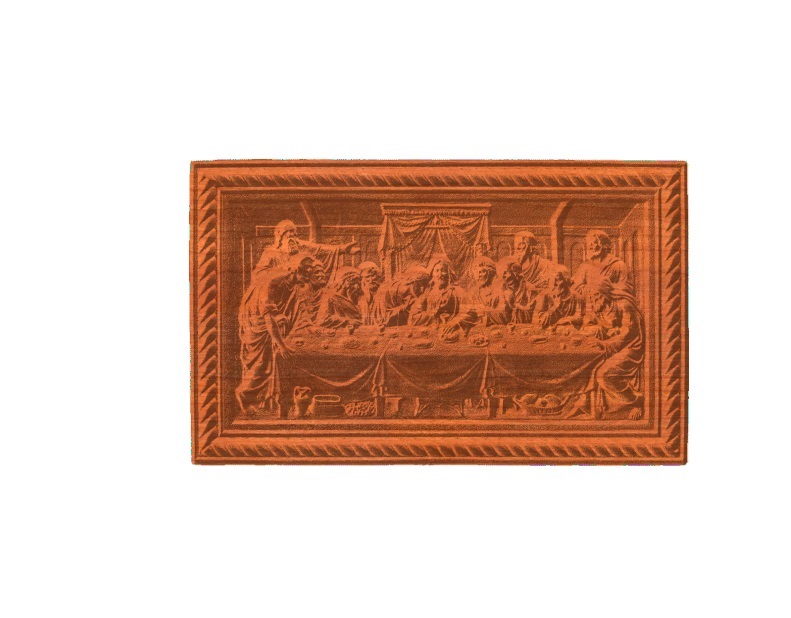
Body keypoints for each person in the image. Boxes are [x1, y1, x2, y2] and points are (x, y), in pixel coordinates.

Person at [236, 253, 314, 415]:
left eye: (310, 271)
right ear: (294, 269)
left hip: (265, 317)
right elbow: (268, 318)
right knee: (262, 361)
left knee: (271, 360)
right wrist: (282, 346)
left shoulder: (290, 282)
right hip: (255, 322)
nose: (309, 275)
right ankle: (244, 394)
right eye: (305, 271)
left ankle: (263, 400)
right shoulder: (273, 282)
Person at [568, 277, 645, 419]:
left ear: (603, 294)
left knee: (603, 374)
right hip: (613, 346)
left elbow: (628, 333)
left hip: (632, 346)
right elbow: (588, 323)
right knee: (590, 363)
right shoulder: (598, 305)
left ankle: (636, 401)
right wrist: (593, 330)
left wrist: (606, 343)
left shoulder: (624, 304)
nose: (592, 301)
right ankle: (588, 404)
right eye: (591, 297)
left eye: (595, 297)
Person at [252, 219, 360, 278]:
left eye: (294, 232)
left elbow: (320, 249)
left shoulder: (300, 246)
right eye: (289, 231)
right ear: (280, 234)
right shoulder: (270, 252)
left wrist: (342, 249)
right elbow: (258, 274)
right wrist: (281, 272)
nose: (292, 235)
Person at [409, 257, 472, 334]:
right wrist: (433, 317)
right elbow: (414, 314)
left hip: (449, 330)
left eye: (443, 270)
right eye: (437, 271)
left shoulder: (456, 290)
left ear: (448, 273)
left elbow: (469, 311)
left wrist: (454, 322)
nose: (440, 274)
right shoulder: (428, 292)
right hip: (430, 331)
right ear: (432, 274)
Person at [573, 229, 634, 297]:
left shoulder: (618, 265)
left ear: (604, 245)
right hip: (589, 302)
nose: (590, 246)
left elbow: (628, 288)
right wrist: (594, 289)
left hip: (611, 301)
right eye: (588, 243)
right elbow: (575, 287)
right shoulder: (584, 266)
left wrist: (609, 288)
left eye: (594, 242)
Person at [468, 255, 510, 326]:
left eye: (481, 272)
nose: (478, 276)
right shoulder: (473, 292)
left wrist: (485, 311)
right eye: (475, 272)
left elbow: (505, 314)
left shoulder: (499, 288)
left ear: (490, 272)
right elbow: (467, 313)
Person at [292, 259, 329, 332]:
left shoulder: (324, 293)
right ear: (308, 275)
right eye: (317, 272)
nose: (321, 275)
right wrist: (310, 327)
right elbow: (301, 316)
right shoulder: (301, 292)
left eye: (322, 272)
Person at [357, 261, 387, 326]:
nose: (371, 280)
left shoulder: (383, 294)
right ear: (362, 280)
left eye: (373, 276)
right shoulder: (360, 299)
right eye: (367, 277)